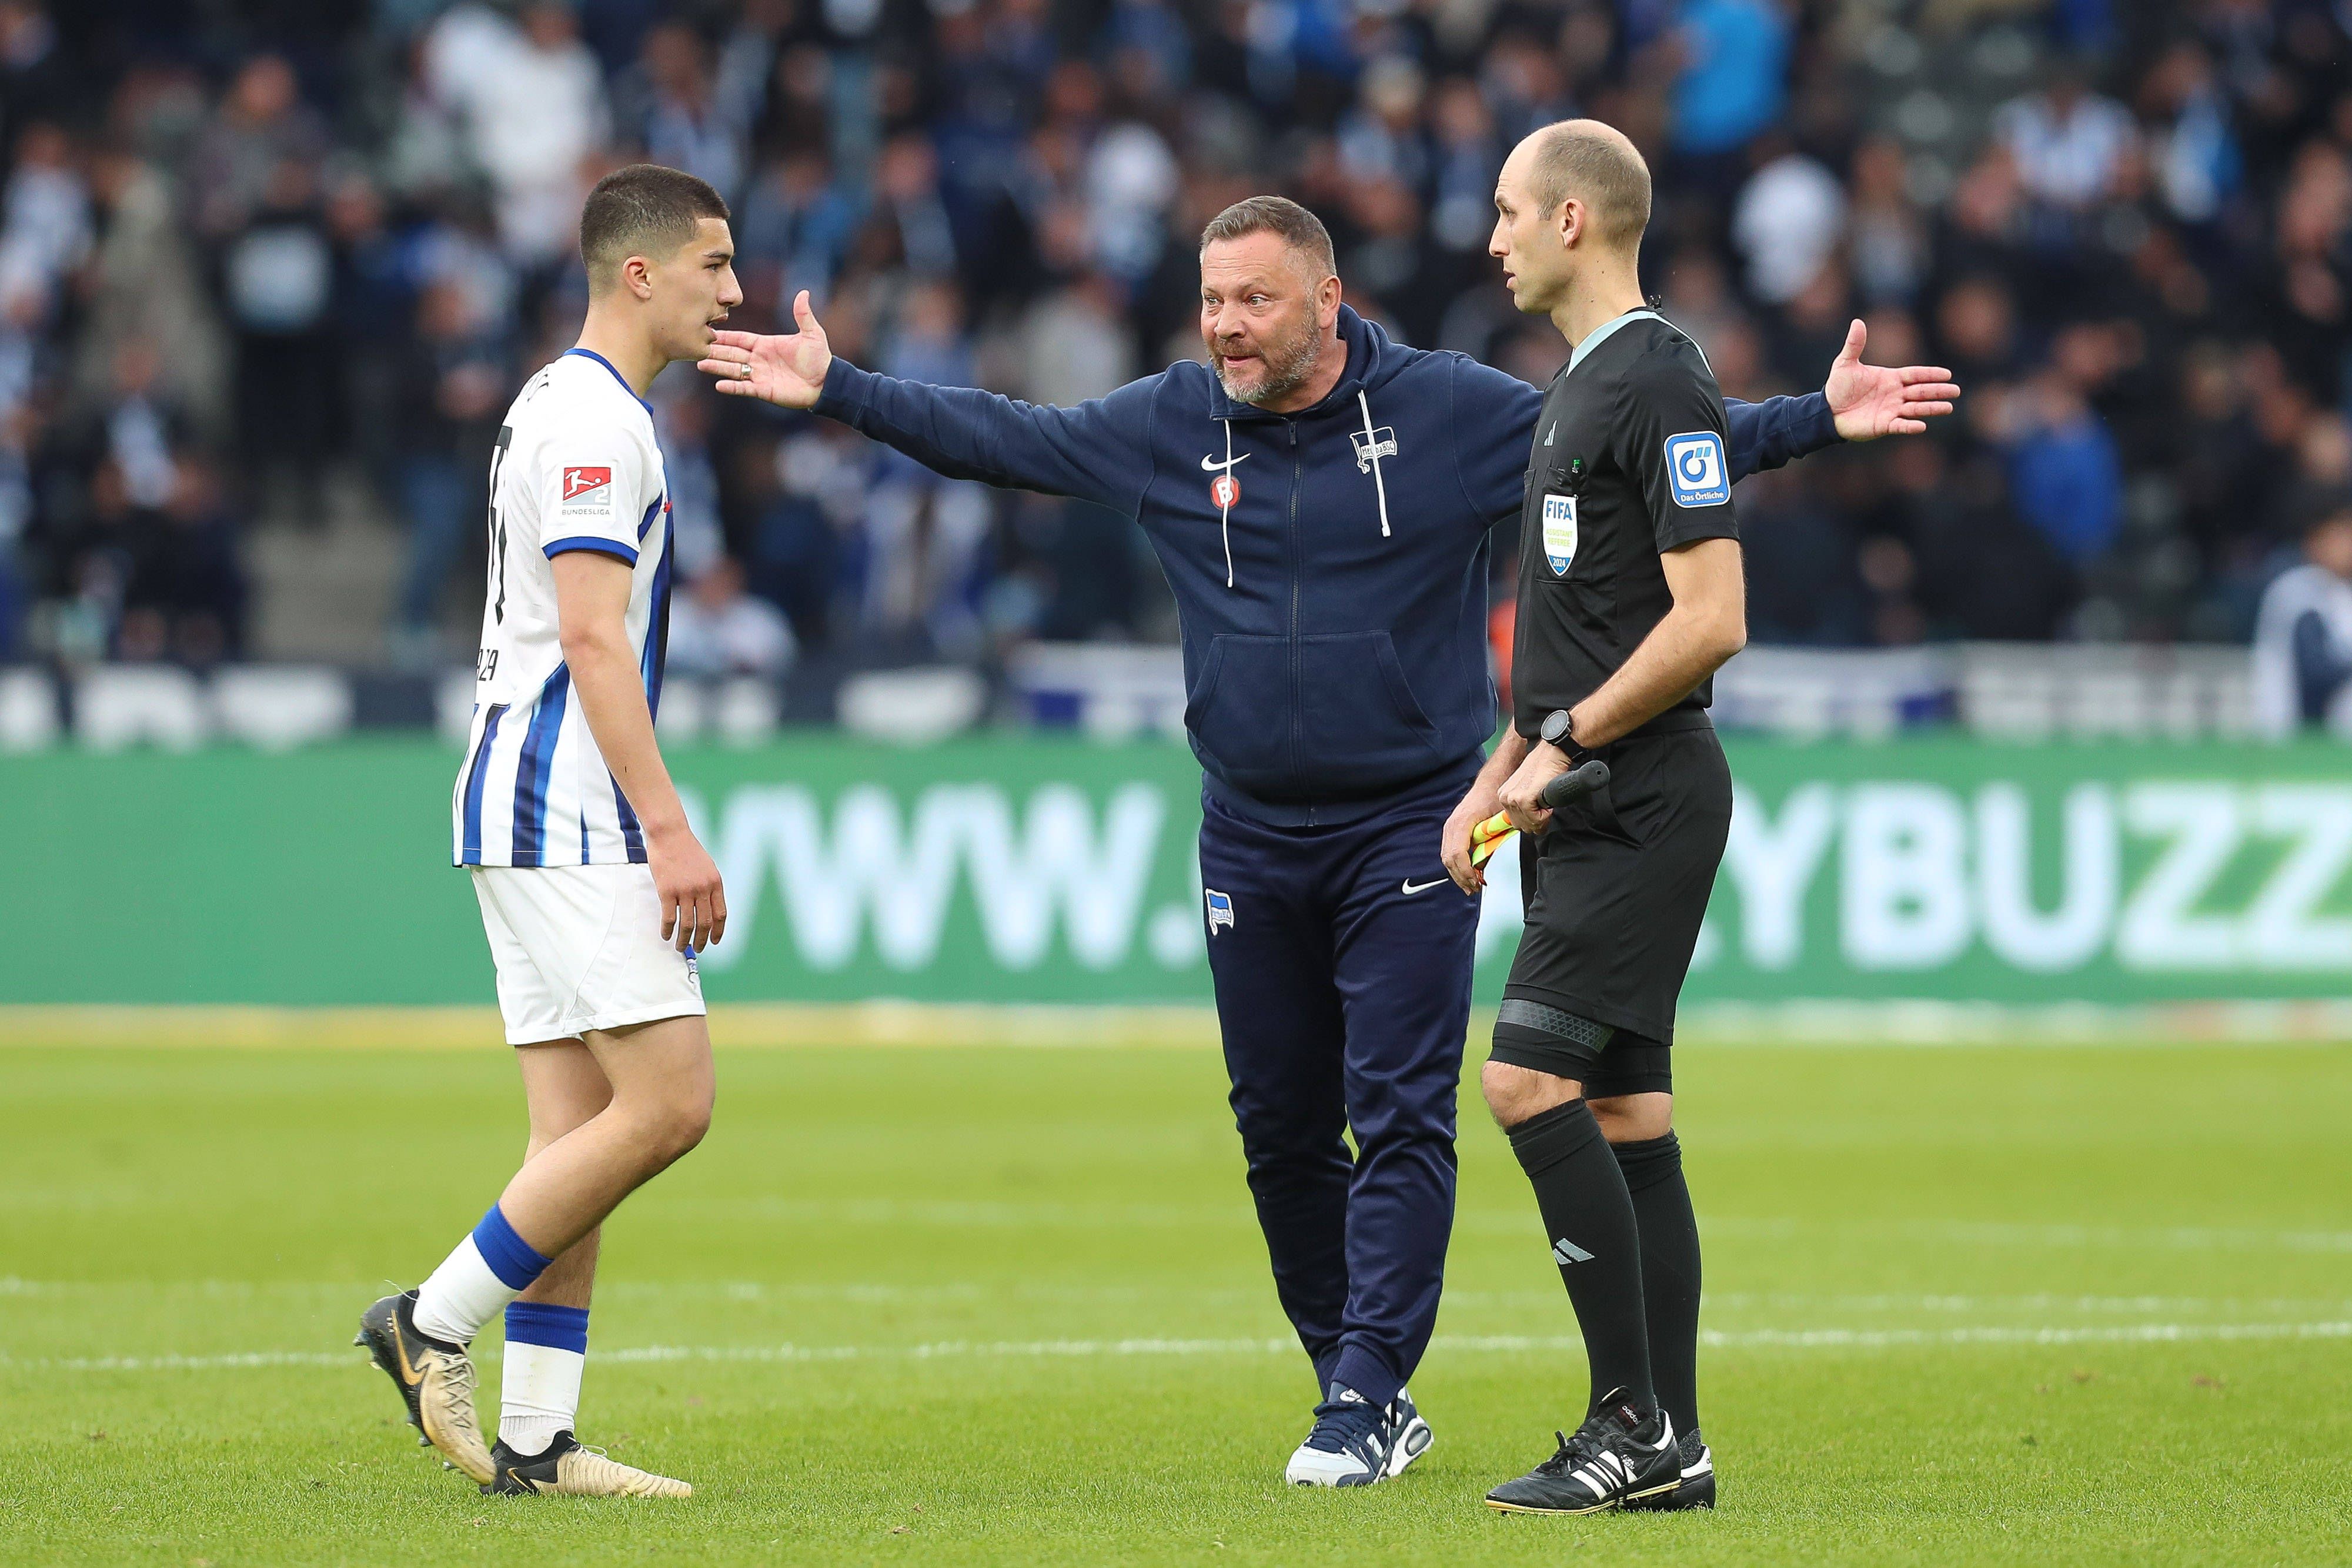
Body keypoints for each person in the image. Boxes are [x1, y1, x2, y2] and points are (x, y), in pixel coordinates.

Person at [697, 196, 1956, 1487]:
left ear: (1326, 299)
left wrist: (1809, 418)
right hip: (1244, 829)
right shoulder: (1170, 422)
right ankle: (1347, 1378)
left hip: (1411, 820)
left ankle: (1363, 1392)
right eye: (1211, 300)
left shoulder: (1451, 410)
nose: (1225, 327)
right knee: (1279, 1128)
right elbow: (1008, 438)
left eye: (1252, 300)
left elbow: (1638, 445)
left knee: (1400, 1110)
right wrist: (841, 386)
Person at [355, 163, 737, 1502]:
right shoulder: (594, 422)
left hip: (525, 803)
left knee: (574, 1144)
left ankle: (535, 1441)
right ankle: (431, 1320)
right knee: (673, 1103)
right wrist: (668, 827)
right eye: (713, 266)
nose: (730, 292)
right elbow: (589, 637)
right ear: (640, 274)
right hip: (562, 806)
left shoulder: (575, 406)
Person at [1469, 119, 1758, 1516]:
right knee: (1627, 1111)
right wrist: (1499, 768)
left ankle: (1628, 1422)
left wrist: (1568, 741)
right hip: (1571, 790)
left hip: (1635, 795)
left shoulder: (1657, 382)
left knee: (1523, 1081)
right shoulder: (1578, 389)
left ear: (1574, 220)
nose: (1493, 236)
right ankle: (1670, 1447)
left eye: (1510, 211)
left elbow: (1712, 621)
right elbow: (1585, 630)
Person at [2251, 496, 2352, 738]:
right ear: (2314, 543)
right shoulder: (2295, 589)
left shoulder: (2342, 591)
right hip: (2290, 730)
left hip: (2333, 738)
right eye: (2340, 538)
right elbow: (2315, 671)